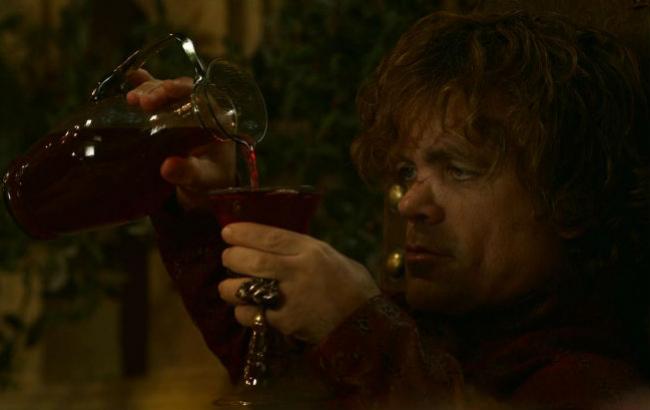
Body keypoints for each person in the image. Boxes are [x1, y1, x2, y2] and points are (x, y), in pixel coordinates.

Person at [128, 10, 649, 409]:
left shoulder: (598, 383)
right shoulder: (437, 334)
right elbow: (277, 377)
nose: (411, 202)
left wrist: (360, 327)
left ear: (571, 197)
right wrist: (205, 204)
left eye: (459, 169)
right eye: (405, 172)